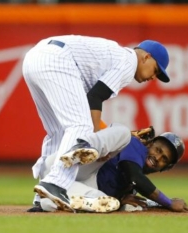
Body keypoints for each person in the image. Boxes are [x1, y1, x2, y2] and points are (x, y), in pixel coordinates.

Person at [22, 35, 171, 211]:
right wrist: (95, 140)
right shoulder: (129, 62)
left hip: (33, 59)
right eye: (156, 70)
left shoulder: (117, 55)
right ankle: (55, 184)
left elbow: (90, 97)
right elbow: (95, 97)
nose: (153, 77)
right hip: (56, 60)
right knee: (80, 126)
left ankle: (42, 195)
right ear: (146, 57)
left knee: (57, 131)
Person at [30, 125, 188, 213]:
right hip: (77, 167)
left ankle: (49, 202)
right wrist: (168, 202)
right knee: (124, 133)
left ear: (165, 168)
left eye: (164, 160)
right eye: (158, 150)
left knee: (112, 204)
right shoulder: (135, 146)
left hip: (77, 185)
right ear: (150, 144)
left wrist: (121, 200)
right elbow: (134, 175)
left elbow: (138, 183)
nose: (157, 157)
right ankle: (84, 147)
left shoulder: (134, 185)